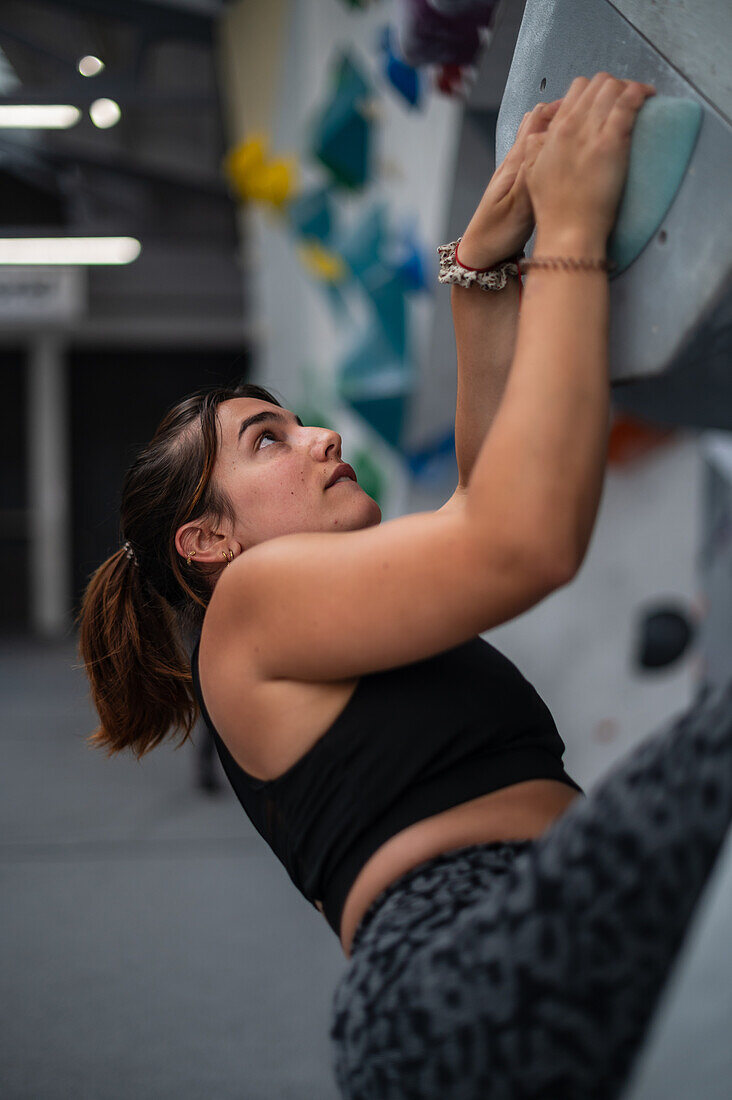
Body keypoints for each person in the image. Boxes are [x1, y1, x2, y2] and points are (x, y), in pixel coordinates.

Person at [78, 73, 732, 1099]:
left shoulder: (312, 620)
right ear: (208, 539)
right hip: (457, 957)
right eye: (271, 440)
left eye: (291, 418)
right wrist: (569, 228)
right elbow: (525, 542)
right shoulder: (248, 612)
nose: (320, 433)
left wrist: (476, 269)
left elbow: (488, 496)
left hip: (492, 950)